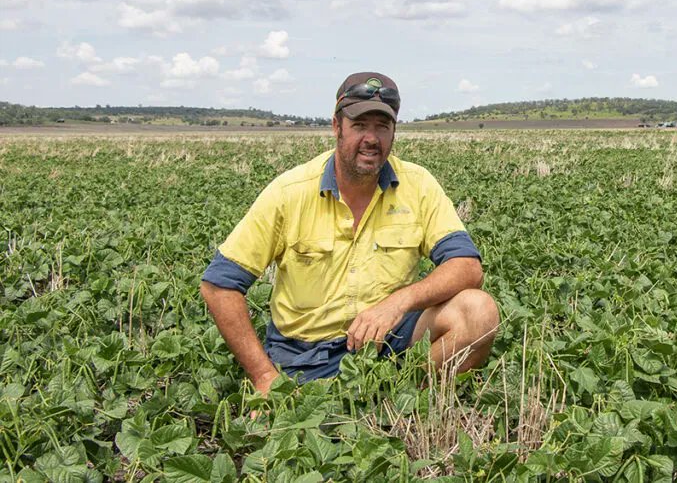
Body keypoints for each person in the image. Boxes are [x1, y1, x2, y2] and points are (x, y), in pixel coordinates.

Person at [199, 72, 499, 394]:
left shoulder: (418, 184)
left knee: (478, 312)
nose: (371, 138)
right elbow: (219, 285)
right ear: (336, 127)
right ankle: (367, 398)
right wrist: (263, 376)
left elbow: (467, 267)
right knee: (301, 425)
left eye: (382, 127)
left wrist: (398, 303)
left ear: (394, 131)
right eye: (359, 125)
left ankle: (406, 396)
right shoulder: (290, 192)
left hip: (389, 340)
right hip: (307, 356)